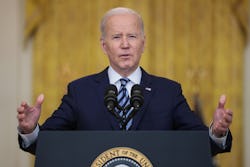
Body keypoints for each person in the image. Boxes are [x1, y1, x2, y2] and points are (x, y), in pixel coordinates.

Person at [17, 7, 233, 156]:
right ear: (104, 45)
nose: (125, 44)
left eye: (132, 36)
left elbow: (198, 143)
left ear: (143, 43)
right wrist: (30, 129)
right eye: (116, 37)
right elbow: (48, 144)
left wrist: (216, 132)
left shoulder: (168, 91)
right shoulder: (80, 91)